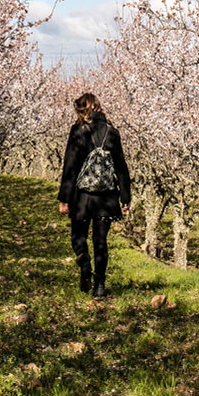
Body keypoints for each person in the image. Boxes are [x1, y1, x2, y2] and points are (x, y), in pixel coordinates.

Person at [58, 93, 131, 297]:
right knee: (101, 241)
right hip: (106, 198)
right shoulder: (112, 132)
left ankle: (83, 261)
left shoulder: (78, 131)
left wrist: (64, 198)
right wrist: (125, 197)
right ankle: (99, 286)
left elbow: (70, 167)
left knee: (78, 235)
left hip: (82, 197)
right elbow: (121, 167)